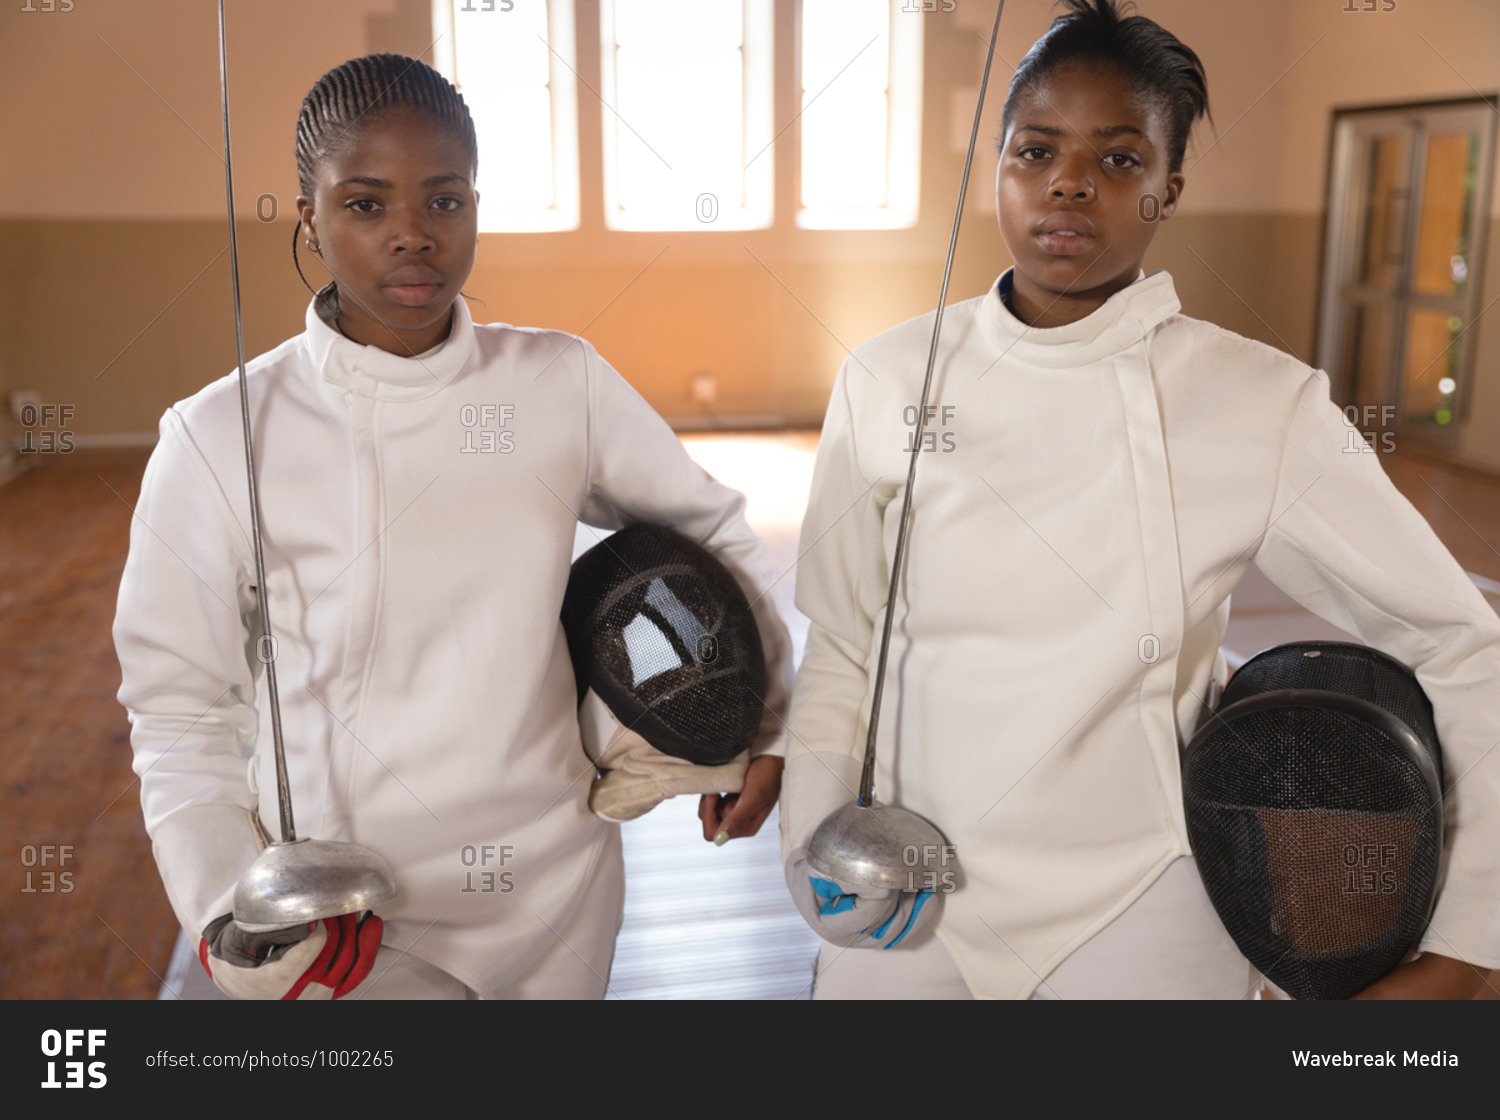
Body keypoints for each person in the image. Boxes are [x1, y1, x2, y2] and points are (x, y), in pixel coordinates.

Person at [780, 0, 1500, 999]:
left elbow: (1467, 644)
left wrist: (1471, 941)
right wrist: (815, 837)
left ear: (1168, 189)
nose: (1068, 180)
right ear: (997, 165)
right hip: (910, 880)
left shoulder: (1256, 400)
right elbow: (845, 645)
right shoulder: (888, 377)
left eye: (1118, 160)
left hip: (1144, 894)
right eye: (1036, 150)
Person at [113, 53, 792, 1000]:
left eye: (444, 201)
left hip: (558, 888)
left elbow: (711, 531)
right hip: (348, 921)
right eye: (364, 204)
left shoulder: (559, 383)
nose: (411, 236)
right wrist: (231, 902)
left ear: (476, 203)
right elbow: (176, 703)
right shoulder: (219, 433)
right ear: (305, 214)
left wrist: (755, 725)